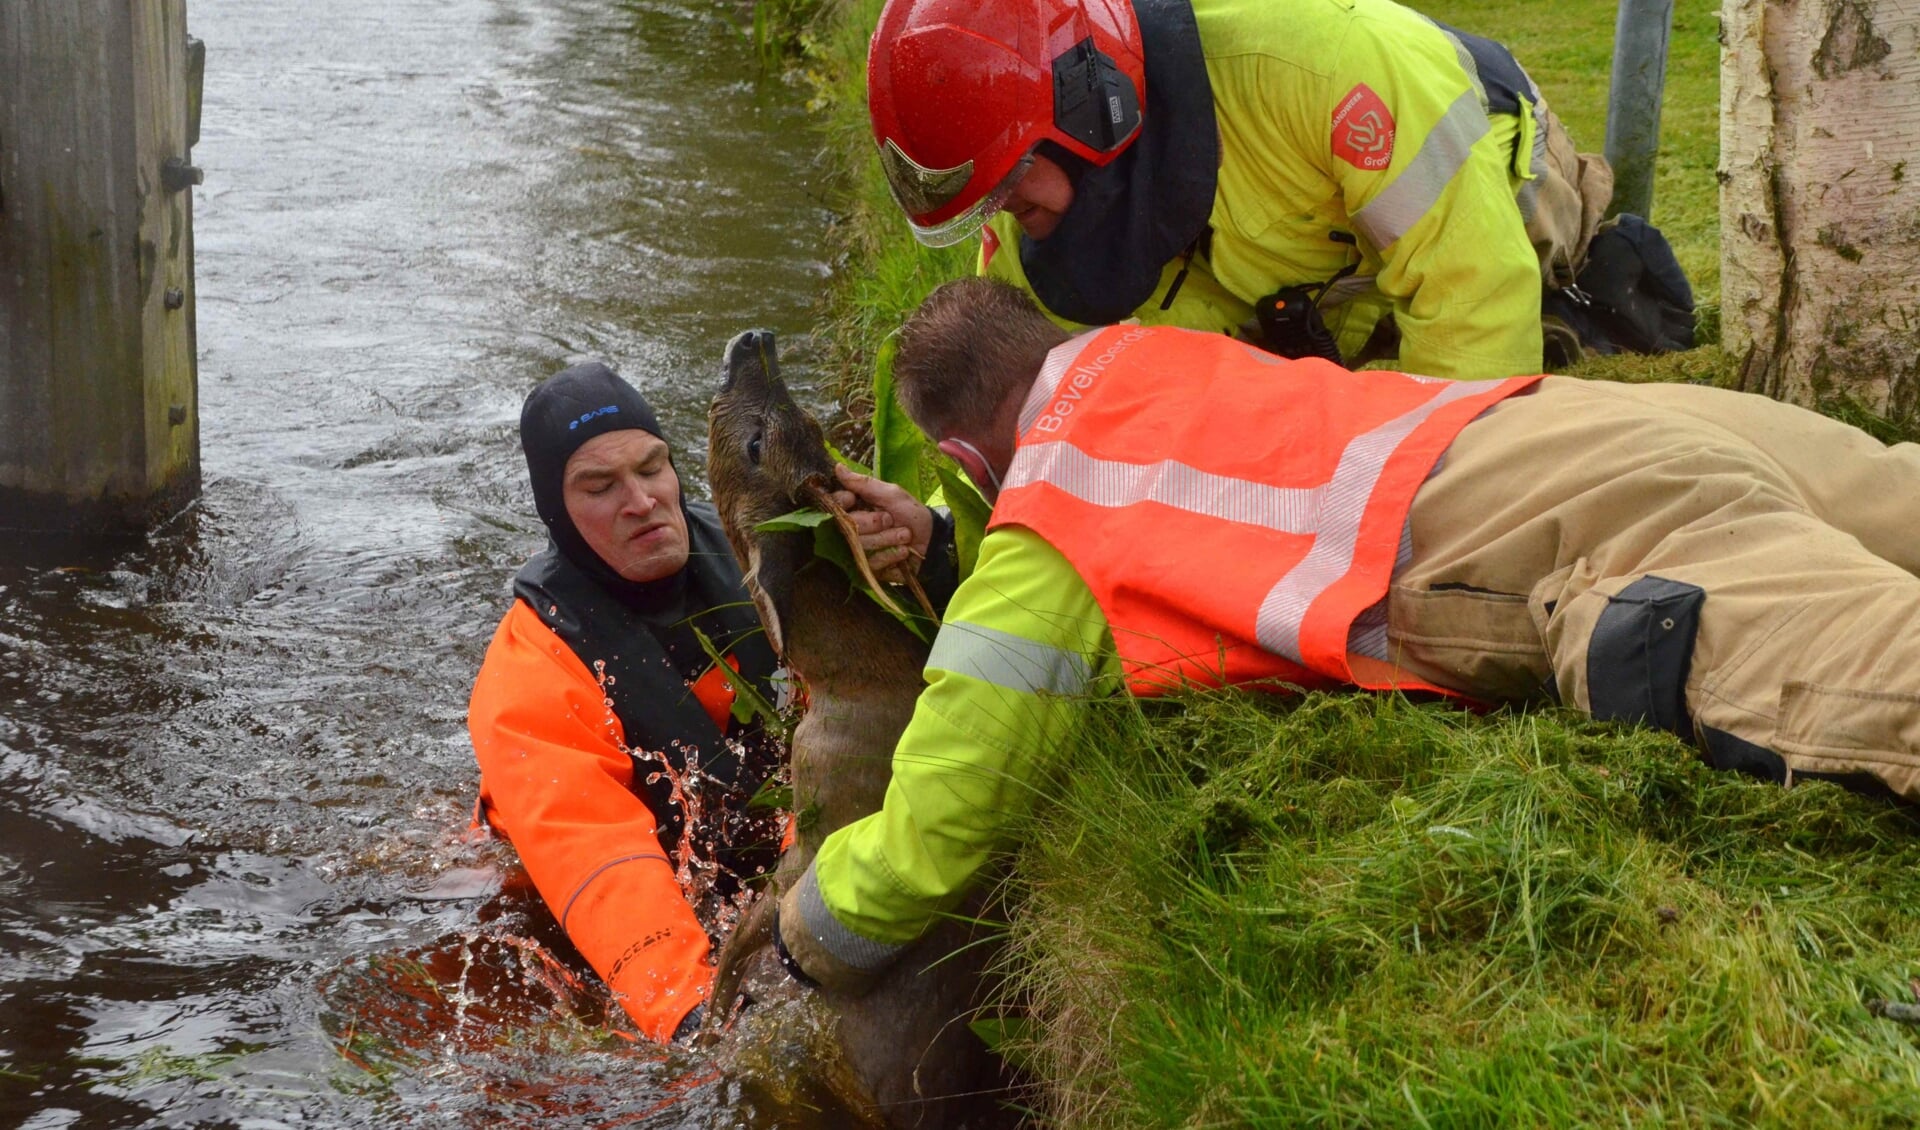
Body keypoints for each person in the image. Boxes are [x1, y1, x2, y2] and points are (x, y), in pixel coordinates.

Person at [772, 278, 1920, 992]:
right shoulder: (1153, 351)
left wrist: (806, 925)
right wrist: (943, 541)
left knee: (1883, 666)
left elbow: (941, 825)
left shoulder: (1048, 522)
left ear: (972, 461)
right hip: (1570, 420)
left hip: (1536, 532)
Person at [866, 0, 1616, 378]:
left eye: (1009, 188)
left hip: (1501, 160)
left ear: (1085, 108)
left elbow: (1473, 293)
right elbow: (1016, 401)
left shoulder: (1326, 71)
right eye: (988, 199)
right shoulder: (1029, 205)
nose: (1006, 216)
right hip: (1324, 290)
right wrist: (938, 527)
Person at [467, 362, 786, 1042]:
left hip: (724, 832)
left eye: (651, 467)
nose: (641, 501)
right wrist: (696, 1012)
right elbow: (598, 857)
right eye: (600, 486)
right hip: (548, 876)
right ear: (558, 512)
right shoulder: (531, 670)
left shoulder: (762, 556)